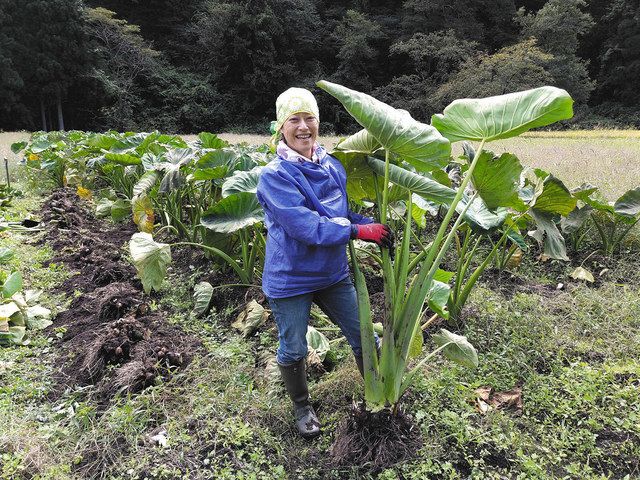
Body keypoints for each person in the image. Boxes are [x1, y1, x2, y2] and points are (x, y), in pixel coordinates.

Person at [256, 87, 393, 438]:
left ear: (318, 122)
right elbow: (306, 227)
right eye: (294, 120)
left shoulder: (331, 165)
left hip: (332, 273)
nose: (304, 127)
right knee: (294, 346)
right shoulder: (274, 176)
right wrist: (358, 231)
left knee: (364, 334)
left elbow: (340, 214)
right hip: (291, 276)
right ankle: (302, 406)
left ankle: (381, 398)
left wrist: (371, 224)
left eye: (310, 118)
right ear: (280, 128)